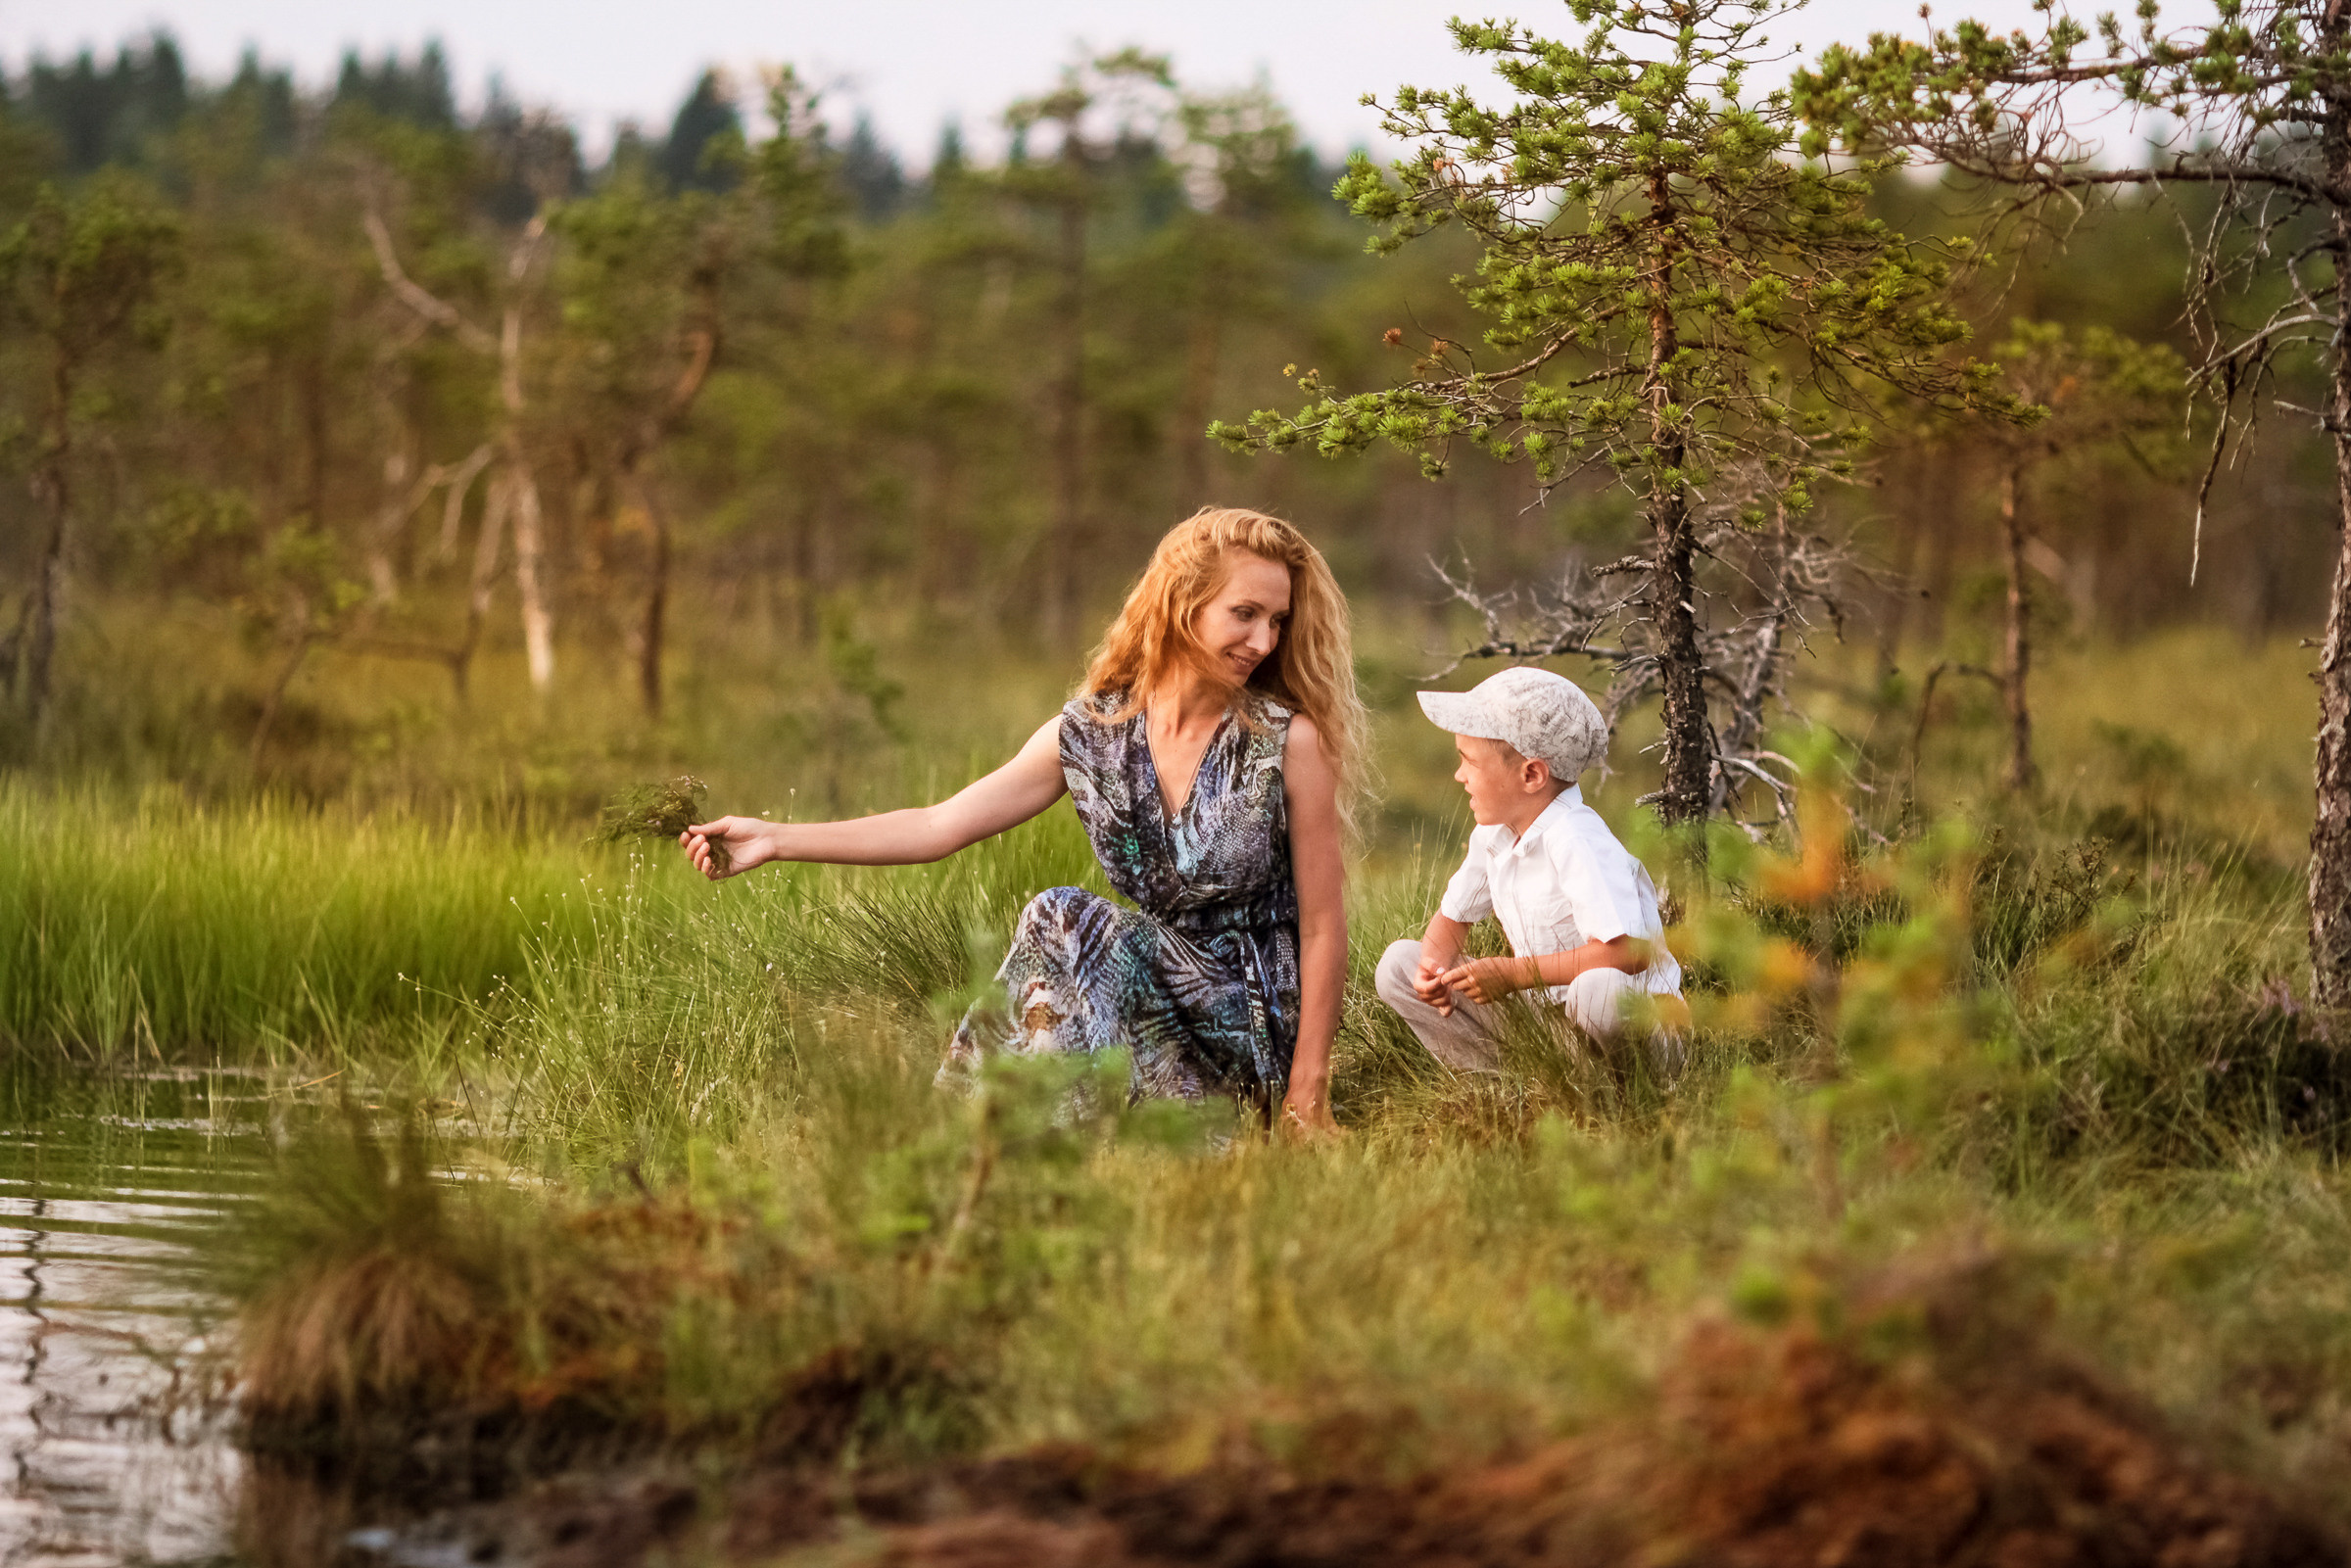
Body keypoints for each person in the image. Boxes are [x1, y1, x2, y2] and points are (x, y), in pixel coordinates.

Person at [680, 507, 1365, 1135]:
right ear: (1181, 603)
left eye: (1277, 621)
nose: (1263, 640)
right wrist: (776, 838)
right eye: (1245, 613)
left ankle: (995, 1128)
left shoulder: (1286, 742)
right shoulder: (1091, 733)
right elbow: (937, 825)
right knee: (1062, 931)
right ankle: (993, 1139)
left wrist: (1309, 1092)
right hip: (1136, 1018)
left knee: (1063, 912)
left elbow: (1322, 925)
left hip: (1248, 1024)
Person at [1374, 666, 1685, 1072]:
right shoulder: (1493, 835)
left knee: (1597, 989)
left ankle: (1634, 1086)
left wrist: (1513, 974)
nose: (1459, 775)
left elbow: (1628, 953)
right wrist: (1432, 970)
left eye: (1469, 762)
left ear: (1532, 775)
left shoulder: (1578, 839)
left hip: (1631, 1021)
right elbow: (1453, 919)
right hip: (1547, 1022)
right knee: (1398, 965)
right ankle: (1524, 1078)